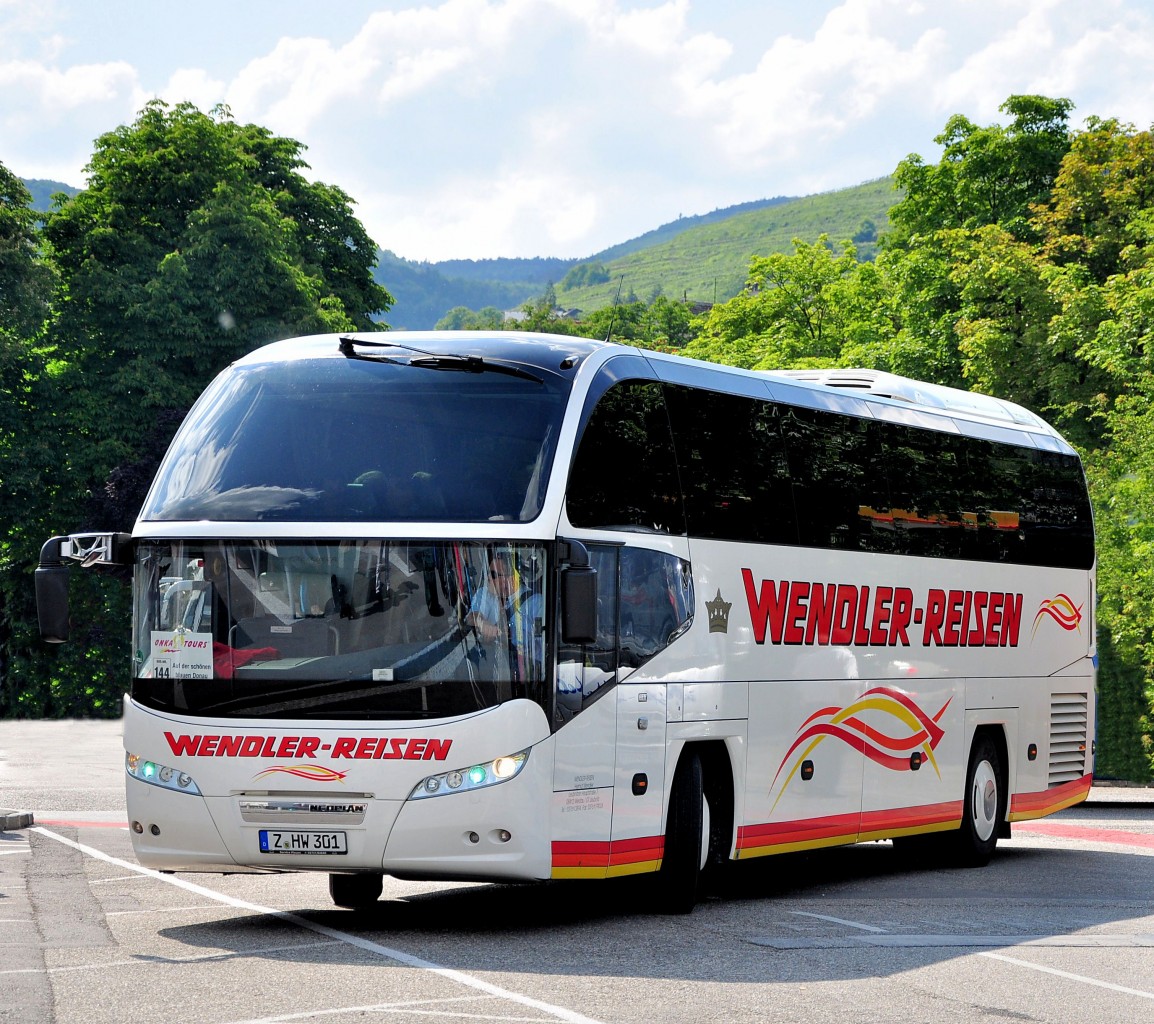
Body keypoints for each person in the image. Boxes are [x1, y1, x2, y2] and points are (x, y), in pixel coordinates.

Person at [465, 550, 543, 688]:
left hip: (521, 676)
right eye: (489, 573)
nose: (488, 577)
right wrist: (482, 623)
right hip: (488, 673)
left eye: (494, 575)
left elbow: (540, 648)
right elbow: (471, 617)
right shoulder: (485, 593)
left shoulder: (536, 603)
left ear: (511, 578)